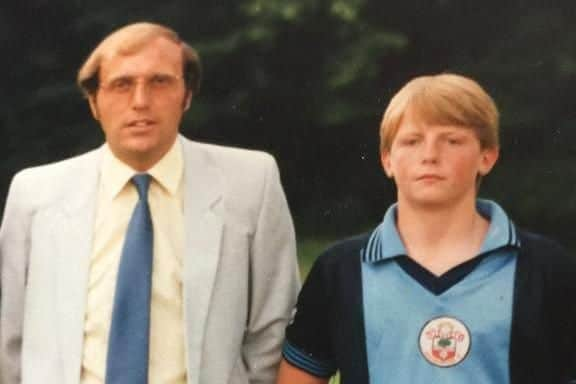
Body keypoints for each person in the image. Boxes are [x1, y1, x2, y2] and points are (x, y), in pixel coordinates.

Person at [0, 22, 300, 384]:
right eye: (121, 84)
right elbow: (8, 335)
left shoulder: (251, 183)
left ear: (186, 95)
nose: (140, 101)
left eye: (160, 81)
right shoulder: (35, 194)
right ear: (94, 102)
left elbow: (274, 325)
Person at [276, 73, 576, 384]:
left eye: (452, 140)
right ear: (387, 159)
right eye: (412, 141)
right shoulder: (339, 269)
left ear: (487, 156)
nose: (430, 155)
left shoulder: (545, 267)